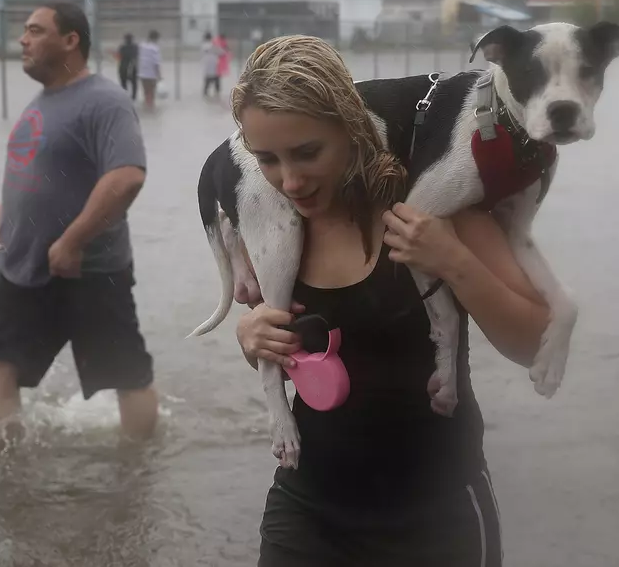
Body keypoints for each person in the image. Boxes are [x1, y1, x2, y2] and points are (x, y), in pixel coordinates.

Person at [231, 36, 551, 567]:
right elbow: (303, 358)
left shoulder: (435, 207)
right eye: (267, 159)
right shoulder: (273, 224)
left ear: (352, 130)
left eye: (308, 152)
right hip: (308, 510)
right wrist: (254, 338)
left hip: (437, 517)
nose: (290, 180)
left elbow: (535, 343)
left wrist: (453, 260)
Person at [0, 2, 158, 444]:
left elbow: (127, 176)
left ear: (71, 40)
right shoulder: (42, 102)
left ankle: (138, 477)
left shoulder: (104, 101)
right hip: (25, 268)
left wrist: (73, 241)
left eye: (35, 30)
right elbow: (33, 171)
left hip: (88, 272)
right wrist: (0, 218)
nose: (22, 40)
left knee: (127, 376)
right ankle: (9, 477)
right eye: (25, 31)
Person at [137, 29, 162, 111]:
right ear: (156, 38)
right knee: (151, 91)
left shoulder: (142, 45)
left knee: (145, 91)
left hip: (142, 72)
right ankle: (150, 107)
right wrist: (159, 75)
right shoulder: (155, 48)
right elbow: (156, 63)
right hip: (151, 74)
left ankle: (146, 105)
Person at [201, 30, 223, 98]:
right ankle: (216, 92)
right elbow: (221, 52)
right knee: (215, 78)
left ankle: (206, 92)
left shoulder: (204, 45)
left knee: (209, 79)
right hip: (213, 65)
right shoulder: (211, 45)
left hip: (209, 65)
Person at [117, 32, 138, 101]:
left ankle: (125, 97)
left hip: (123, 67)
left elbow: (119, 57)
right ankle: (134, 97)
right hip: (132, 67)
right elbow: (136, 56)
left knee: (123, 83)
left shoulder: (122, 47)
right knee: (134, 83)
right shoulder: (135, 47)